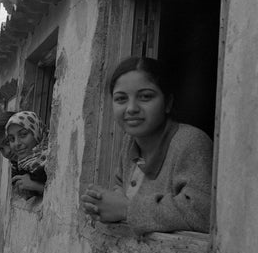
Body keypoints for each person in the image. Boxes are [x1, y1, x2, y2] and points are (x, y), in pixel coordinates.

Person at [81, 56, 213, 235]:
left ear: (168, 103)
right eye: (121, 99)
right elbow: (122, 187)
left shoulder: (190, 142)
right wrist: (103, 203)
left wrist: (127, 210)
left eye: (145, 97)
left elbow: (202, 212)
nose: (131, 108)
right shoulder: (130, 144)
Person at [5, 111, 48, 195]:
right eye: (11, 139)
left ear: (37, 132)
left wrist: (37, 186)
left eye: (23, 134)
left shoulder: (53, 159)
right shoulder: (22, 167)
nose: (17, 143)